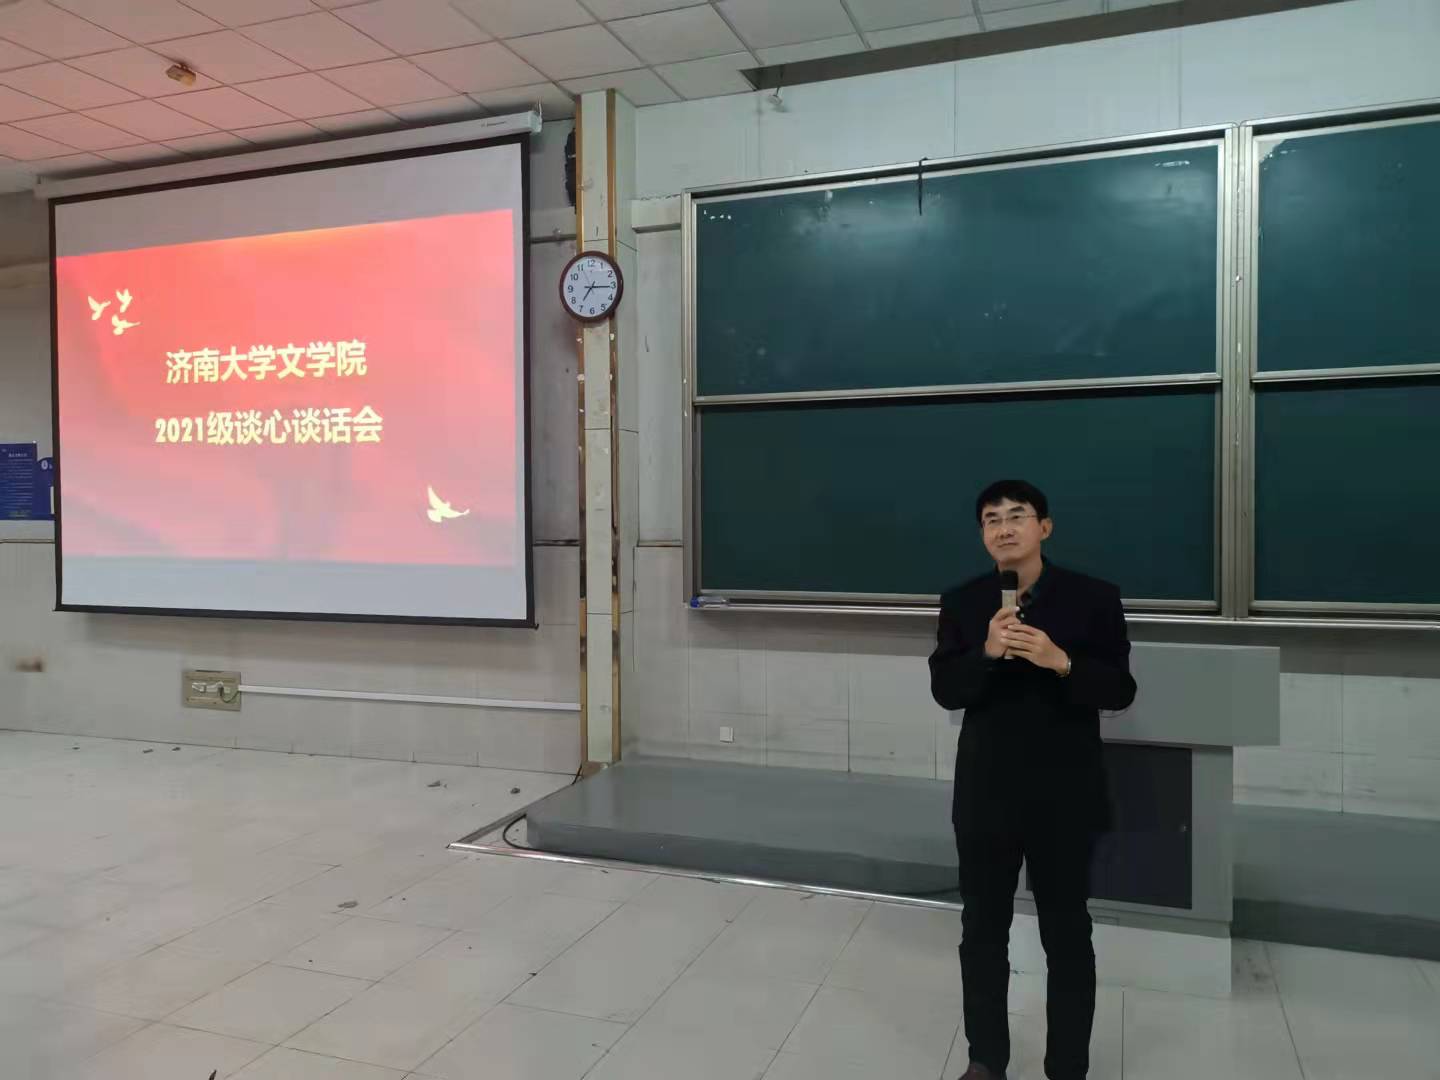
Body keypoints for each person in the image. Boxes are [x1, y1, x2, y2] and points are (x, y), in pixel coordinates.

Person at [929, 479, 1136, 1080]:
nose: (1004, 528)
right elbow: (946, 689)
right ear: (983, 534)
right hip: (986, 794)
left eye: (1017, 516)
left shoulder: (1094, 598)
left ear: (1044, 527)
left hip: (1065, 794)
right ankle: (985, 1060)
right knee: (981, 930)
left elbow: (1120, 690)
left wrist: (1060, 661)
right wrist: (986, 653)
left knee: (1067, 933)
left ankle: (1067, 1066)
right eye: (991, 519)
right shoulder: (963, 602)